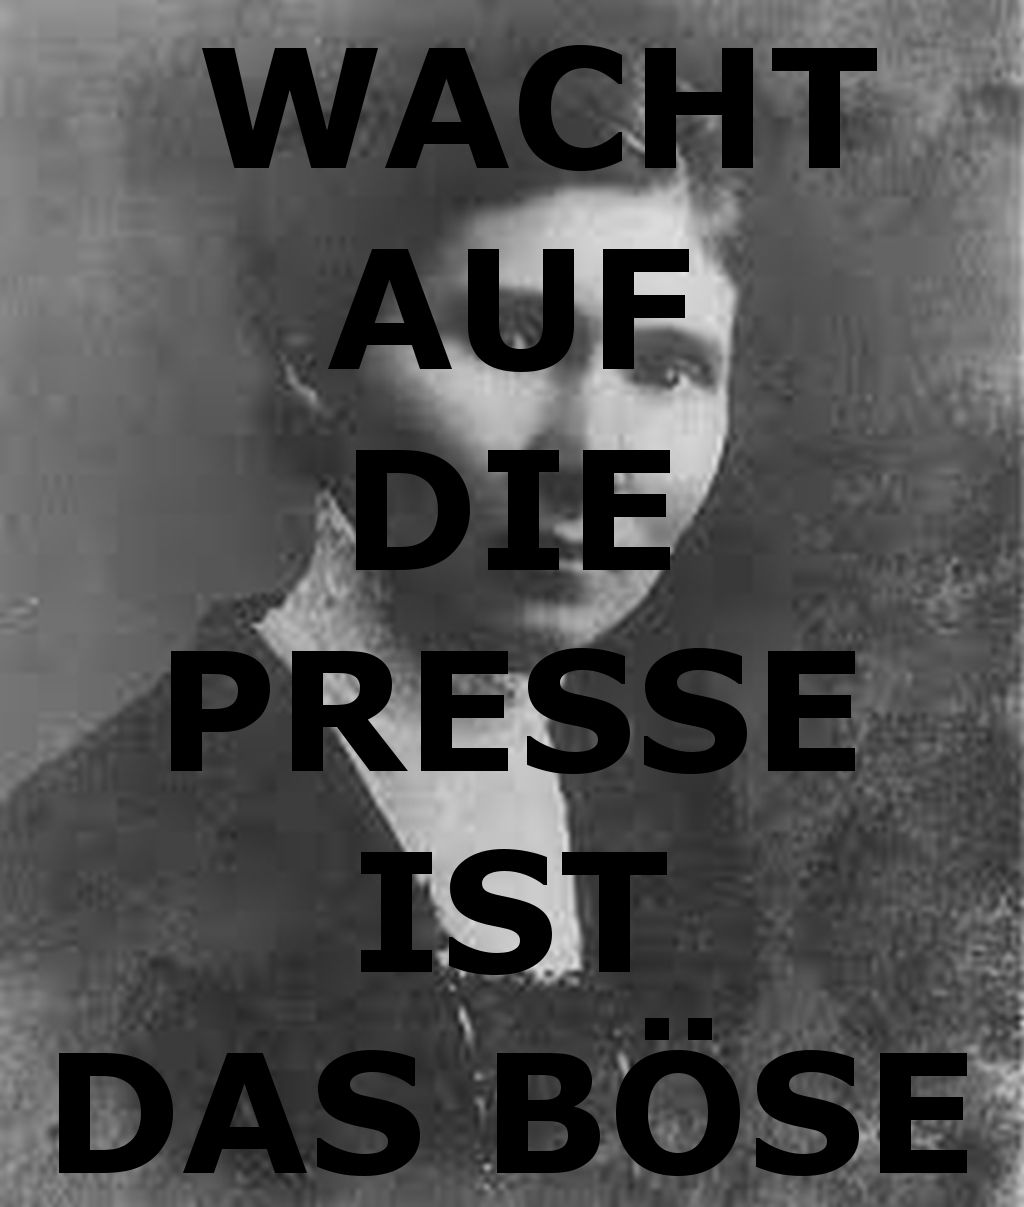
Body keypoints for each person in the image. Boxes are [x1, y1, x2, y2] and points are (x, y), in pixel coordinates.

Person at [0, 23, 760, 1205]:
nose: (591, 451)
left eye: (666, 366)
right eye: (513, 335)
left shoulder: (680, 835)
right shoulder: (92, 879)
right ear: (313, 351)